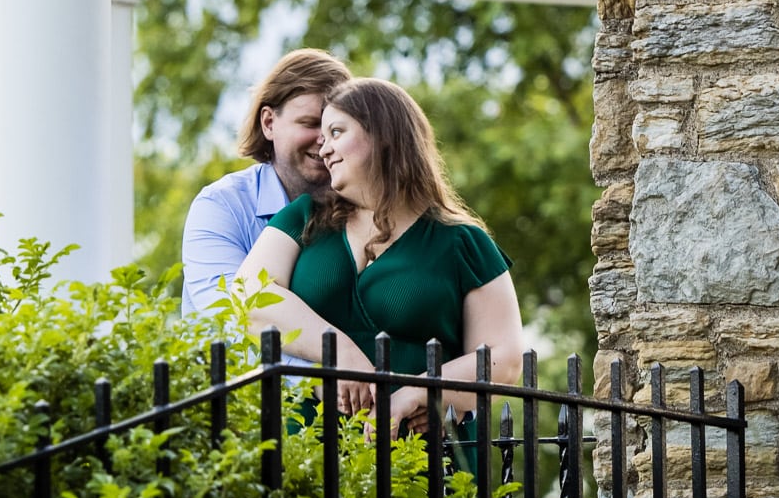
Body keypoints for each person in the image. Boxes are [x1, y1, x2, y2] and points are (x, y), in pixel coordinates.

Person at [234, 77, 523, 439]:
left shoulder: (462, 241)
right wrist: (341, 352)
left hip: (421, 455)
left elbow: (505, 358)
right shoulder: (303, 217)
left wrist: (418, 393)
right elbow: (249, 294)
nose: (324, 149)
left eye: (337, 132)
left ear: (385, 135)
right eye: (323, 136)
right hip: (308, 452)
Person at [180, 48, 351, 314]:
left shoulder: (363, 208)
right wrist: (344, 356)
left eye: (337, 129)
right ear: (269, 122)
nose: (324, 141)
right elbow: (233, 319)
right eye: (310, 123)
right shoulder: (222, 207)